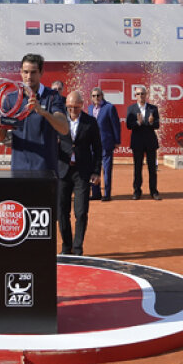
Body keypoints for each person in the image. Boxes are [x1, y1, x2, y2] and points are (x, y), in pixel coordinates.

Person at [0, 53, 69, 172]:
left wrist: (43, 112)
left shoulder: (53, 97)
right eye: (25, 72)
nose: (29, 76)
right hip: (19, 168)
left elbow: (64, 128)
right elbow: (1, 137)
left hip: (46, 168)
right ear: (21, 72)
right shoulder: (10, 99)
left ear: (41, 73)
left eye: (33, 72)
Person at [56, 91, 102, 256]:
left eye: (76, 107)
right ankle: (66, 245)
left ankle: (77, 247)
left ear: (82, 105)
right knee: (62, 211)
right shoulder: (59, 121)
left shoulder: (91, 122)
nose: (73, 110)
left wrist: (97, 171)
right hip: (62, 171)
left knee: (81, 211)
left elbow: (97, 149)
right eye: (69, 107)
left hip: (82, 172)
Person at [127, 86, 161, 200]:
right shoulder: (131, 109)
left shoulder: (153, 108)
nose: (140, 96)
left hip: (150, 142)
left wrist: (151, 122)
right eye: (138, 94)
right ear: (135, 96)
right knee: (137, 168)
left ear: (146, 95)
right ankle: (137, 191)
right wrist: (137, 122)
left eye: (142, 94)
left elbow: (157, 125)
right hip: (137, 143)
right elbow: (128, 125)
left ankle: (154, 191)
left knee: (152, 168)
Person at [89, 87, 121, 201]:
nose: (96, 98)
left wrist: (117, 141)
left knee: (106, 170)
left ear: (102, 96)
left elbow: (115, 125)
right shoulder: (90, 108)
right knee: (93, 169)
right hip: (92, 145)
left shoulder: (109, 107)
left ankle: (107, 194)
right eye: (93, 96)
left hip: (106, 143)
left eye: (98, 95)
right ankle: (96, 193)